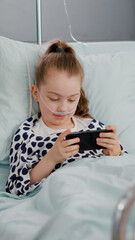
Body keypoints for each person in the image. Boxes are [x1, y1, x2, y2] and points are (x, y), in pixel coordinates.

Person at [5, 40, 127, 196]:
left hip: (101, 190)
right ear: (36, 93)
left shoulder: (92, 127)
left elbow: (123, 169)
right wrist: (51, 159)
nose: (63, 108)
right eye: (54, 99)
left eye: (71, 100)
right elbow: (15, 188)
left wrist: (115, 152)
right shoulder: (27, 134)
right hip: (65, 195)